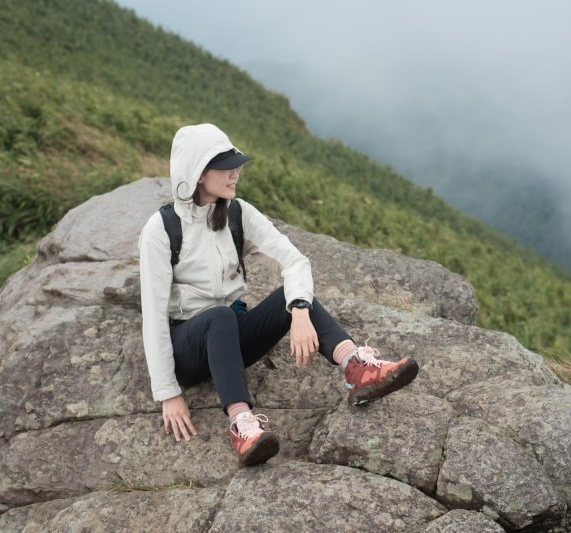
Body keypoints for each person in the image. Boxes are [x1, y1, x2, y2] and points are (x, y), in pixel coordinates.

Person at [138, 124, 418, 466]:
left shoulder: (237, 213)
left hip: (230, 341)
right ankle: (242, 425)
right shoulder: (161, 230)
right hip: (189, 349)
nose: (235, 173)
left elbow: (294, 261)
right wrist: (168, 393)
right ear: (197, 173)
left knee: (291, 293)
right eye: (226, 167)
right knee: (220, 316)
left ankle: (354, 367)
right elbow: (153, 315)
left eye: (236, 165)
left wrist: (298, 311)